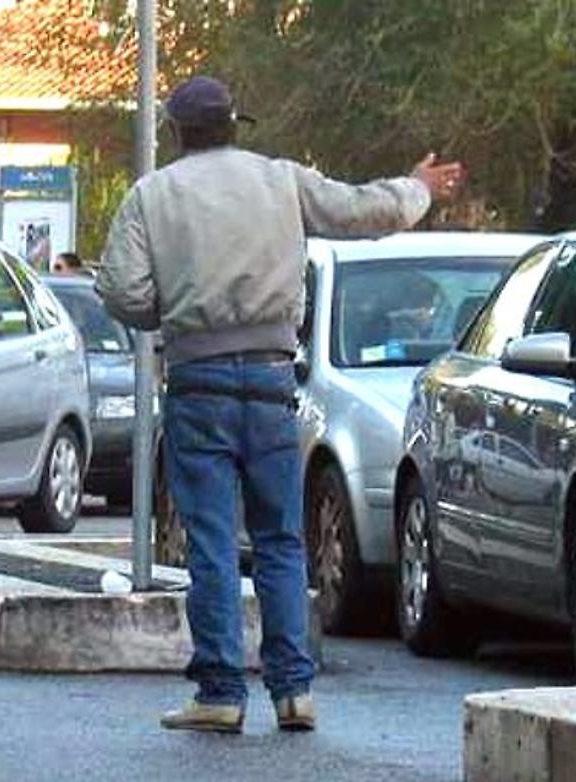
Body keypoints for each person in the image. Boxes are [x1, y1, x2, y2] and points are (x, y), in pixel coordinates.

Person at [95, 75, 463, 735]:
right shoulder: (283, 180)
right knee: (281, 539)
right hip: (270, 379)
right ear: (237, 125)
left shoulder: (152, 196)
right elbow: (359, 212)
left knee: (209, 538)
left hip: (197, 379)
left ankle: (219, 692)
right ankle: (294, 691)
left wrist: (171, 314)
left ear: (177, 132)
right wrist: (418, 188)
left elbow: (121, 289)